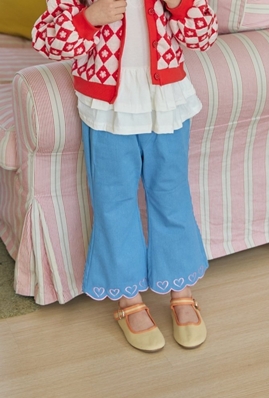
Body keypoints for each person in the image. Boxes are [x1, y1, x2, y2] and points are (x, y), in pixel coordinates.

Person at [32, 0, 218, 352]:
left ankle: (180, 288)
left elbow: (204, 36)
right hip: (106, 106)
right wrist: (89, 18)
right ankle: (128, 297)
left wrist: (179, 5)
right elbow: (47, 40)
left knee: (173, 196)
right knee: (114, 202)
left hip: (166, 99)